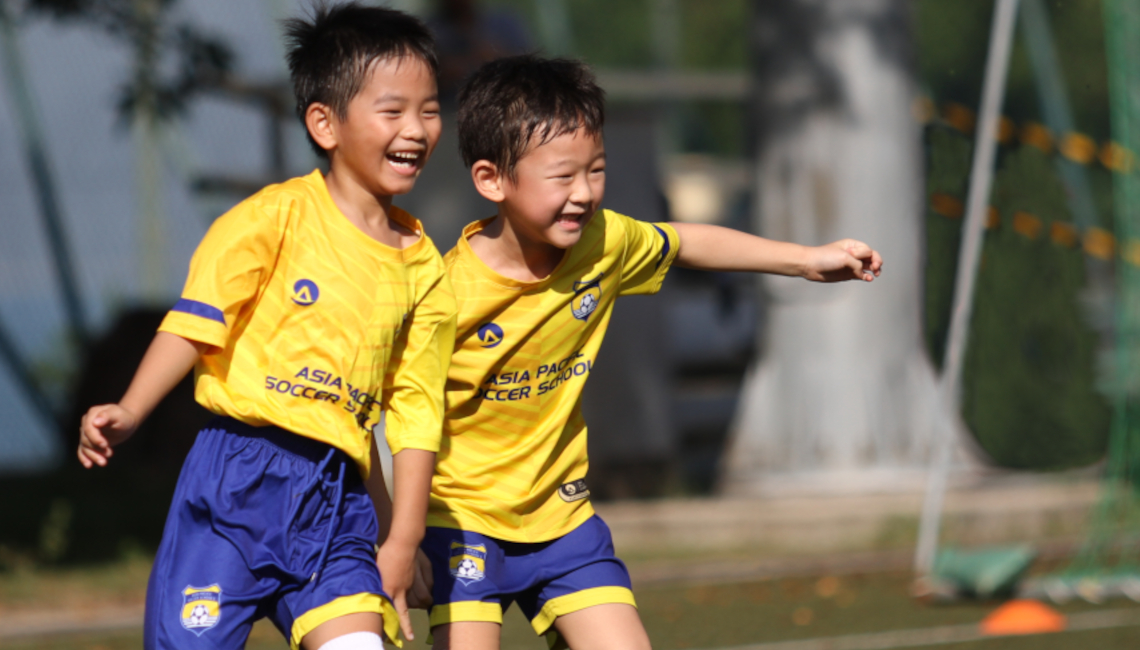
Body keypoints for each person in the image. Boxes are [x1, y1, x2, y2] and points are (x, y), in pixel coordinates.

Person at [421, 54, 883, 650]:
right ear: (491, 180)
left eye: (597, 170)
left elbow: (687, 240)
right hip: (462, 525)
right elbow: (401, 420)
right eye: (562, 177)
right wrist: (396, 540)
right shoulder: (442, 293)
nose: (584, 194)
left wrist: (803, 260)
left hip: (562, 521)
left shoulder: (604, 243)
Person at [76, 5, 455, 649]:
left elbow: (415, 416)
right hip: (235, 483)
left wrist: (401, 539)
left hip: (338, 500)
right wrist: (132, 410)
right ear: (324, 123)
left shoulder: (425, 268)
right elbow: (196, 326)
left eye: (430, 109)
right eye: (393, 111)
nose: (415, 129)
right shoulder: (267, 220)